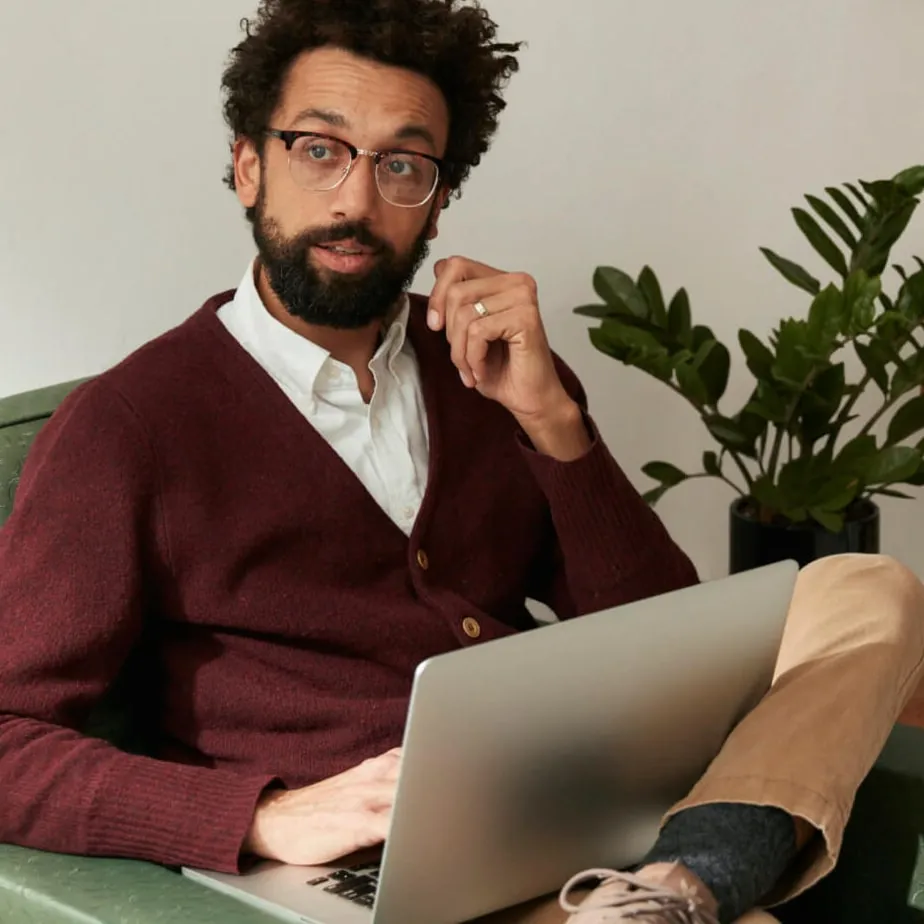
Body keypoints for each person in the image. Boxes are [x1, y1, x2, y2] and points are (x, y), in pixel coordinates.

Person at [0, 1, 922, 922]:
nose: (356, 202)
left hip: (581, 790)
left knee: (865, 588)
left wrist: (555, 427)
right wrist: (263, 816)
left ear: (438, 202)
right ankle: (695, 885)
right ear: (248, 167)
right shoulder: (129, 427)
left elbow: (668, 642)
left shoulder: (493, 373)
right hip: (387, 855)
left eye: (401, 165)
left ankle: (682, 880)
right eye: (319, 150)